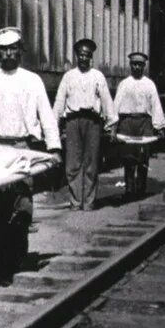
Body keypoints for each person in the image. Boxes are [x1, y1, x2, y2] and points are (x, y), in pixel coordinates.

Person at [0, 27, 60, 285]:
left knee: (21, 206)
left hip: (21, 149)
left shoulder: (32, 81)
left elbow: (47, 116)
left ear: (21, 51)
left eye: (13, 48)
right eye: (3, 49)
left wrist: (54, 148)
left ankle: (17, 261)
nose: (8, 53)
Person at [53, 38, 116, 211]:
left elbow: (106, 101)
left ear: (91, 57)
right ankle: (75, 201)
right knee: (72, 163)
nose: (83, 58)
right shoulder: (68, 76)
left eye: (87, 55)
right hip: (73, 121)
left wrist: (112, 123)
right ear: (76, 56)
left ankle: (88, 202)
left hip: (92, 122)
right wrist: (55, 124)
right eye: (80, 54)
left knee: (91, 163)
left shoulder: (98, 76)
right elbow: (59, 101)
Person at [112, 52, 165, 198]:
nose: (137, 67)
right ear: (130, 65)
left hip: (144, 123)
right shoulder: (124, 84)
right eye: (134, 64)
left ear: (144, 66)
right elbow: (115, 106)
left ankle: (141, 188)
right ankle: (129, 189)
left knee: (143, 157)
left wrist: (159, 126)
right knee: (128, 158)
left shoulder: (149, 84)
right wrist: (113, 127)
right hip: (127, 123)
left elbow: (155, 106)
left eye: (140, 65)